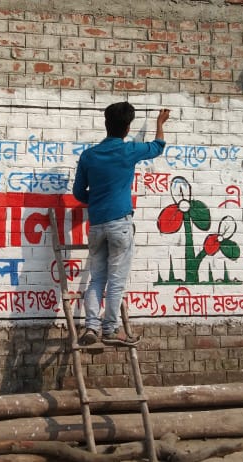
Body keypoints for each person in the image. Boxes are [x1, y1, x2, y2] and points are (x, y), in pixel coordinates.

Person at [72, 102, 171, 346]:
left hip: (96, 225)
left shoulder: (89, 155)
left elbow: (78, 192)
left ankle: (91, 328)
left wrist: (95, 200)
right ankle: (111, 329)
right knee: (115, 280)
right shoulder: (128, 151)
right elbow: (158, 147)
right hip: (120, 225)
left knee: (97, 278)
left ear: (106, 124)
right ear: (127, 128)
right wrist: (159, 123)